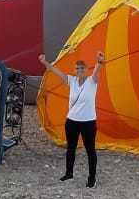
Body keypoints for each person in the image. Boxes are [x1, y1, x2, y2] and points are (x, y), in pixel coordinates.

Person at [39, 51, 104, 188]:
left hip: (88, 122)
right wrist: (45, 62)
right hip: (72, 121)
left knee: (90, 150)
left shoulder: (92, 81)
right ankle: (69, 173)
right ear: (74, 71)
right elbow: (56, 72)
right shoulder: (72, 81)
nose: (80, 71)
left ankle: (92, 178)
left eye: (82, 68)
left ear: (86, 70)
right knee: (71, 148)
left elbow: (97, 70)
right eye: (77, 69)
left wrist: (99, 62)